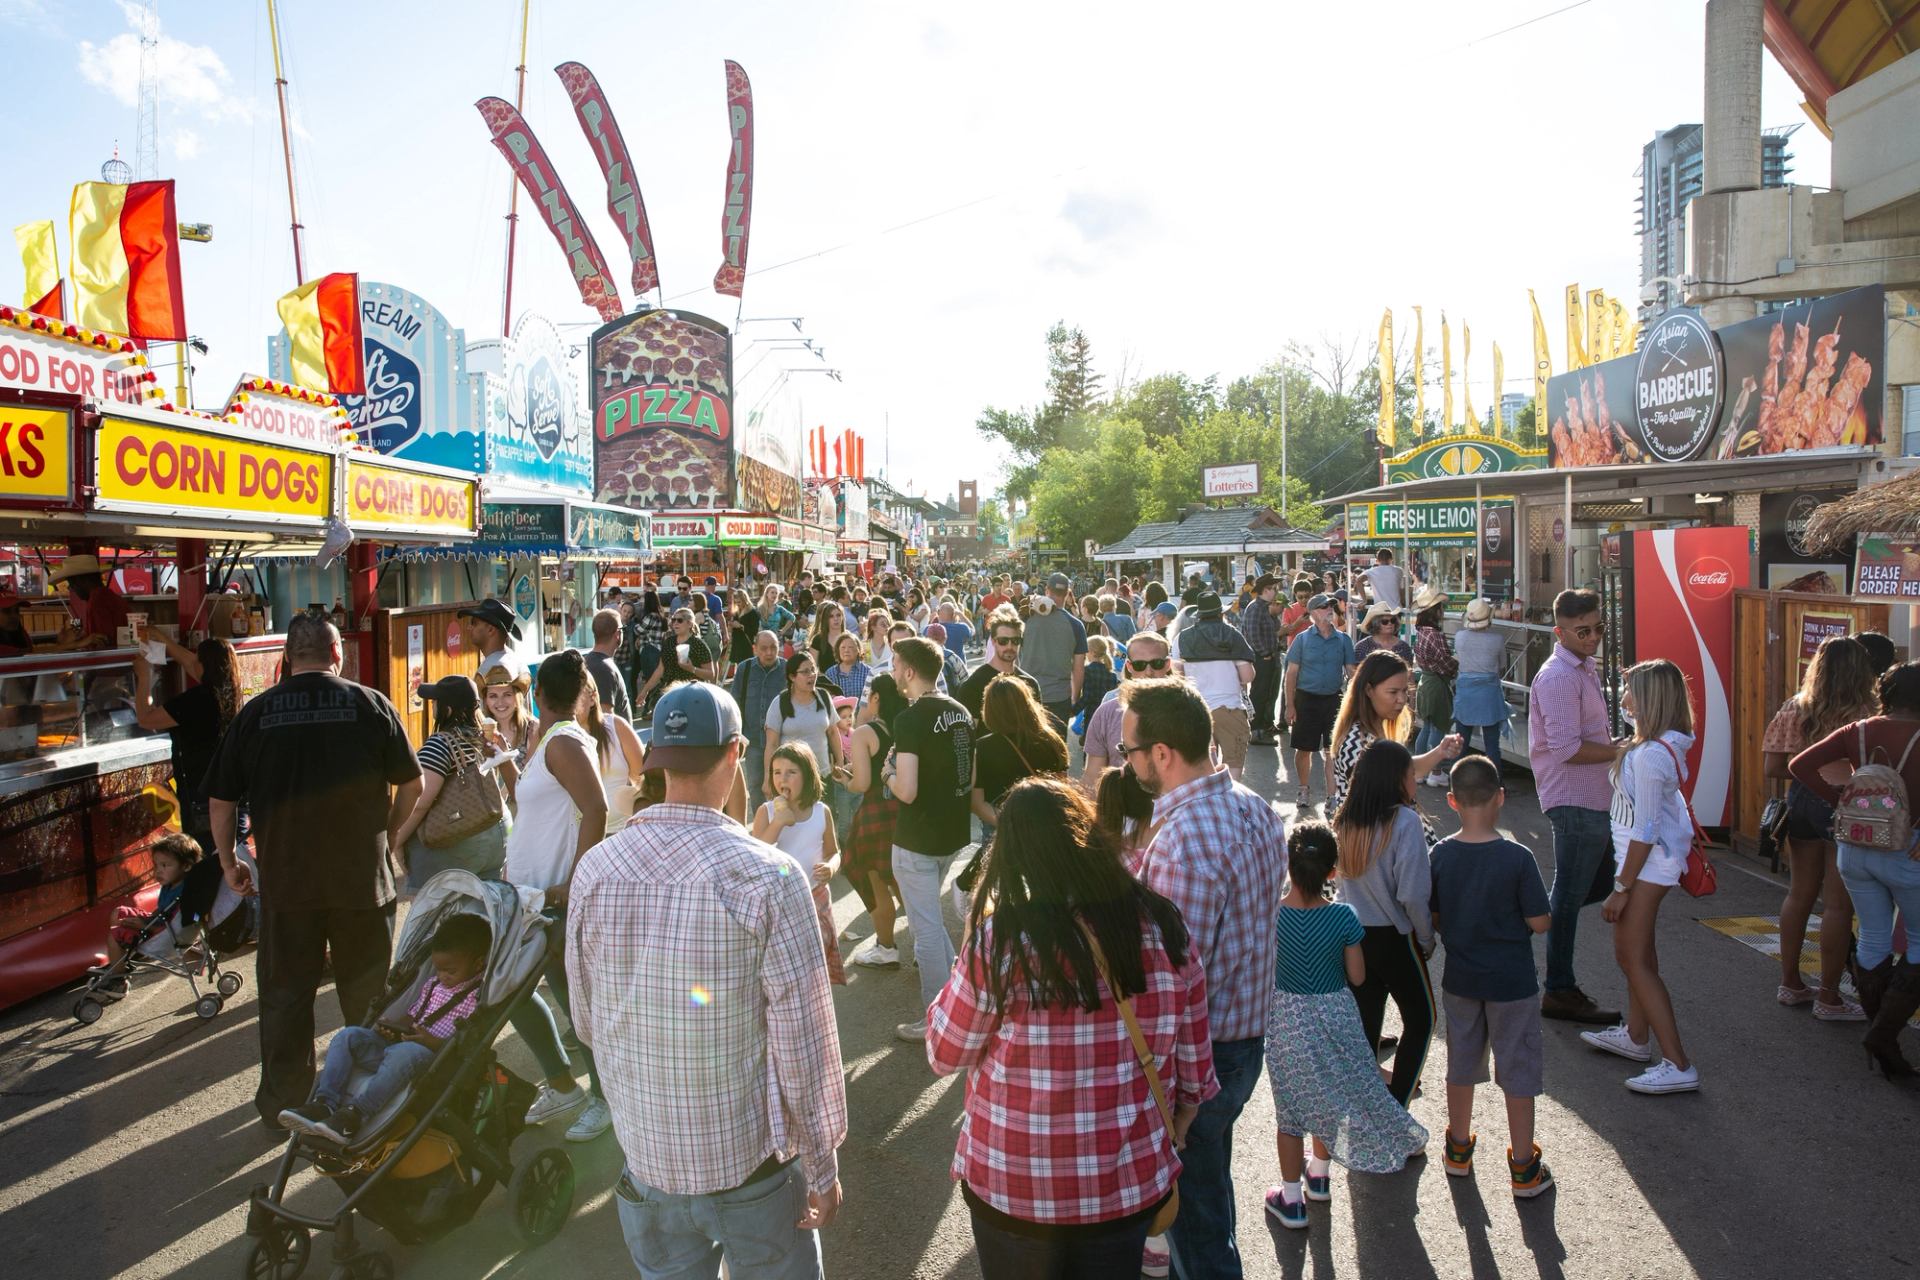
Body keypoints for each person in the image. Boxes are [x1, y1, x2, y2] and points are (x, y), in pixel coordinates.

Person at [567, 681, 847, 1275]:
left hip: (645, 1160)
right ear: (736, 751)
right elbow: (805, 1043)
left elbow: (586, 1020)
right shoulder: (768, 877)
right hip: (751, 1166)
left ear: (655, 760)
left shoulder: (597, 868)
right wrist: (822, 1167)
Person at [928, 779, 1215, 1277]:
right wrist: (1178, 1124)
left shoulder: (1002, 943)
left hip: (1013, 1183)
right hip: (1126, 1183)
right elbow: (1193, 1069)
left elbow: (944, 1052)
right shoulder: (1162, 924)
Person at [205, 615, 421, 1130]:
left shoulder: (256, 714)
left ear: (286, 657)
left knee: (285, 996)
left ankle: (283, 1106)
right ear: (336, 653)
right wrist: (389, 837)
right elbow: (410, 786)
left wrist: (231, 862)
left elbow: (220, 799)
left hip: (287, 885)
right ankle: (367, 1101)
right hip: (361, 884)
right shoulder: (371, 705)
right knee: (367, 997)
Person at [1124, 678, 1287, 1280]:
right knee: (1208, 1193)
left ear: (1161, 753)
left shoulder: (1184, 840)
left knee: (1196, 1218)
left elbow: (1171, 988)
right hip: (1242, 1041)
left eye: (1131, 752)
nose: (1128, 761)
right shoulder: (1255, 807)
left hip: (1200, 1056)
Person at [1261, 821, 1427, 1231]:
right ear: (1333, 871)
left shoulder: (1270, 916)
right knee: (1330, 1095)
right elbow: (1356, 977)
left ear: (1287, 863)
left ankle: (1292, 1198)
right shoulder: (1344, 916)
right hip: (1335, 1013)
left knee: (1291, 1111)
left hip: (1287, 1018)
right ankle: (1319, 1175)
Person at [1429, 756, 1555, 1196]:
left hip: (1461, 979)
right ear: (1501, 797)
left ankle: (1458, 1149)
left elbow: (1436, 915)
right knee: (1517, 1068)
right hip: (1512, 983)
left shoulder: (1440, 854)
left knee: (1461, 1063)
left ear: (1451, 801)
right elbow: (1540, 921)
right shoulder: (1517, 858)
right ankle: (1524, 1167)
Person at [1790, 660, 1920, 1078]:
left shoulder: (1858, 731)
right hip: (1908, 850)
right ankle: (1883, 1035)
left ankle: (1879, 1034)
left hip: (1854, 848)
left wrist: (1840, 801)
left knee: (1874, 935)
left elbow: (1799, 766)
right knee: (1918, 941)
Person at [504, 650, 614, 1141]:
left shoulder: (564, 740)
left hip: (554, 899)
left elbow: (597, 808)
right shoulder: (552, 739)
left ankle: (604, 1100)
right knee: (515, 992)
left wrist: (574, 881)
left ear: (540, 693)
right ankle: (564, 1084)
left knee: (575, 1004)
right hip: (531, 897)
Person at [1581, 659, 1699, 1095]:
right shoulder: (1653, 747)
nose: (1623, 699)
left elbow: (1646, 829)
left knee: (1632, 958)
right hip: (1645, 863)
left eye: (1629, 692)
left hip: (1646, 866)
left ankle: (1678, 1062)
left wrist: (1620, 889)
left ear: (1649, 699)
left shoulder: (1650, 755)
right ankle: (1635, 1036)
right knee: (1640, 956)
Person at [279, 913, 490, 1145]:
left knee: (407, 1052)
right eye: (438, 970)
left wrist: (429, 1041)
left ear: (478, 964)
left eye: (450, 971)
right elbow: (412, 1016)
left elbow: (465, 1044)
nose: (443, 976)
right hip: (399, 1048)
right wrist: (392, 1029)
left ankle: (355, 1114)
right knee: (348, 1036)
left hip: (432, 1058)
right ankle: (324, 1103)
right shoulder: (433, 985)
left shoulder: (476, 997)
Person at [1761, 635, 1872, 1019]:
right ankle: (1829, 997)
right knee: (1838, 905)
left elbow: (1773, 768)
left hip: (1802, 801)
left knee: (1799, 895)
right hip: (1848, 805)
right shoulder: (1868, 711)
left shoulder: (1796, 707)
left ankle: (1790, 983)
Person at [1528, 589, 1623, 1026]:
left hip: (1588, 798)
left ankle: (1527, 923)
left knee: (1591, 888)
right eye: (1583, 631)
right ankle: (1560, 989)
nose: (1593, 638)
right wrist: (1620, 751)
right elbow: (1566, 749)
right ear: (1559, 632)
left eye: (1599, 628)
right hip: (1573, 797)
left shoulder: (1580, 668)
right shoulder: (1560, 677)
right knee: (1570, 896)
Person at [1331, 739, 1436, 1107]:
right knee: (1422, 1021)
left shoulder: (1345, 819)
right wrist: (1426, 938)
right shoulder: (1405, 822)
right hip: (1395, 938)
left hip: (1352, 938)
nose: (1416, 782)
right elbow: (1412, 893)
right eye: (1412, 775)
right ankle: (1398, 1104)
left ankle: (1365, 1107)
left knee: (1365, 1026)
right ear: (1397, 779)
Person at [886, 637, 976, 1040]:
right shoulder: (961, 712)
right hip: (952, 832)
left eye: (893, 665)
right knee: (930, 921)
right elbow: (969, 778)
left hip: (917, 837)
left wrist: (887, 773)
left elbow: (905, 790)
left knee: (924, 931)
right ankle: (957, 1002)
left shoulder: (910, 719)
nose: (891, 673)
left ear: (909, 671)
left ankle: (938, 1023)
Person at [387, 676, 511, 888]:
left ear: (448, 710)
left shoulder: (440, 744)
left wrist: (395, 842)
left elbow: (420, 804)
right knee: (483, 909)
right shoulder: (485, 738)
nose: (433, 705)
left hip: (462, 841)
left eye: (436, 702)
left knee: (439, 912)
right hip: (497, 834)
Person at [131, 636, 244, 851]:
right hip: (230, 798)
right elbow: (192, 664)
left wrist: (144, 677)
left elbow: (146, 718)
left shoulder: (195, 701)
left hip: (201, 801)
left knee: (207, 863)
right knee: (230, 858)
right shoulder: (230, 690)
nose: (191, 663)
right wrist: (163, 639)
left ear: (203, 666)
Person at [753, 742, 847, 986]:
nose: (782, 778)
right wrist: (779, 822)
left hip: (815, 895)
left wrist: (831, 867)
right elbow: (755, 855)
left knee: (815, 958)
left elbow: (834, 852)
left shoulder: (821, 811)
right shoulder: (766, 812)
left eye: (790, 772)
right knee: (785, 962)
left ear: (807, 775)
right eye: (776, 772)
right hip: (780, 898)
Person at [1328, 652, 1462, 816]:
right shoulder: (1355, 743)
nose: (1402, 699)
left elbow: (1403, 768)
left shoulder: (1375, 730)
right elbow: (1377, 806)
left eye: (1404, 691)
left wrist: (1440, 751)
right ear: (1369, 690)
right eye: (1393, 692)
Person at [844, 674, 908, 969]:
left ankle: (886, 948)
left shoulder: (864, 733)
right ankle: (926, 945)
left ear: (877, 698)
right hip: (906, 811)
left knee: (875, 880)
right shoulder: (908, 727)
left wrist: (845, 780)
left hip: (875, 815)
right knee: (906, 883)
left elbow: (862, 783)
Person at [1284, 594, 1357, 809]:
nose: (1329, 610)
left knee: (1331, 750)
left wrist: (1359, 699)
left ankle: (1331, 797)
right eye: (1324, 607)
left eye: (1331, 606)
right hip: (1306, 699)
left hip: (1333, 700)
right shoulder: (1302, 639)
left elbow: (1351, 671)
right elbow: (1291, 674)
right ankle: (1304, 789)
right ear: (1313, 612)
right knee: (1304, 749)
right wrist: (1290, 705)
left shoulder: (1343, 640)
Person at [1176, 591, 1258, 782]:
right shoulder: (1232, 635)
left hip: (1196, 711)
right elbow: (1247, 676)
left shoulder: (1181, 638)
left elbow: (1177, 676)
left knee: (1201, 769)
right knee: (1233, 769)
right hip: (1229, 709)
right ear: (1221, 613)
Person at [1082, 631, 1173, 795]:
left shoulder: (1188, 709)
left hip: (1174, 812)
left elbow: (1204, 773)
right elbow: (1092, 778)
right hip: (1122, 810)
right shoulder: (1107, 712)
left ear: (1167, 665)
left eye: (1156, 663)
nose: (1148, 671)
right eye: (1140, 665)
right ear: (1130, 667)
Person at [764, 653, 847, 811]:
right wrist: (768, 778)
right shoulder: (780, 703)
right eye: (805, 672)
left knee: (823, 822)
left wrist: (839, 762)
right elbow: (772, 744)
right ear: (792, 677)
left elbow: (833, 733)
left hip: (822, 775)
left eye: (813, 670)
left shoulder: (824, 697)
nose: (812, 676)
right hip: (790, 779)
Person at [1021, 572, 1088, 730]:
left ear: (1047, 591)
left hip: (1027, 693)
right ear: (1068, 594)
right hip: (1059, 697)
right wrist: (1074, 699)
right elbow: (1078, 667)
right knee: (1057, 750)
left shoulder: (1027, 618)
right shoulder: (1076, 625)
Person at [730, 630, 788, 813]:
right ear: (755, 649)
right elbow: (735, 704)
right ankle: (761, 824)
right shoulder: (744, 669)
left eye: (773, 648)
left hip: (782, 740)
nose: (769, 653)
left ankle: (783, 826)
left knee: (783, 784)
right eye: (764, 648)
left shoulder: (788, 670)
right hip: (753, 741)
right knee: (756, 785)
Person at [584, 674, 647, 835]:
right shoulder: (560, 737)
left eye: (572, 696)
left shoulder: (615, 726)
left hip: (620, 832)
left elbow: (643, 779)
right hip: (577, 835)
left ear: (592, 698)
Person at [1410, 586, 1458, 788]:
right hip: (1437, 683)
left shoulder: (1421, 632)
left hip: (1425, 682)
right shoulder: (1435, 635)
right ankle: (1435, 772)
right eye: (1440, 607)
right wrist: (1456, 663)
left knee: (1427, 727)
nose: (1443, 611)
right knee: (1438, 727)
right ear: (1435, 611)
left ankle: (1419, 771)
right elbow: (1445, 662)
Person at [1453, 598, 1507, 766]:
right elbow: (1503, 665)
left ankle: (1456, 782)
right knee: (1492, 745)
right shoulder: (1497, 639)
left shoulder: (1460, 636)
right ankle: (1496, 783)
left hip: (1466, 695)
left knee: (1461, 742)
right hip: (1488, 695)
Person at [958, 611, 1040, 722]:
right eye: (1003, 641)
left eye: (1015, 641)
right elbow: (969, 734)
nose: (1009, 646)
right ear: (993, 641)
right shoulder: (974, 685)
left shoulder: (1030, 683)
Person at [639, 608, 717, 714]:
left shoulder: (699, 645)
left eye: (679, 620)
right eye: (673, 620)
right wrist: (645, 690)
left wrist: (692, 669)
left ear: (689, 624)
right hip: (670, 693)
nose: (675, 623)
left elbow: (711, 674)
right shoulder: (668, 642)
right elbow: (660, 670)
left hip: (692, 695)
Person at [48, 553, 130, 648]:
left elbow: (102, 642)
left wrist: (72, 643)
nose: (71, 588)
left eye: (71, 583)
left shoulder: (97, 600)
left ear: (81, 581)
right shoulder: (107, 595)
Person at [1239, 576, 1281, 748]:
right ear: (1266, 590)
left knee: (1264, 693)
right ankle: (1256, 731)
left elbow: (1273, 628)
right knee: (1259, 694)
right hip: (1261, 658)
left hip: (1266, 657)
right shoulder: (1256, 608)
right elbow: (1253, 635)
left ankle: (1261, 728)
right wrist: (1264, 653)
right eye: (1274, 588)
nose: (1276, 592)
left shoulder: (1262, 607)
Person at [458, 598, 526, 686]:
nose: (469, 628)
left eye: (474, 623)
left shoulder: (492, 669)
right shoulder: (515, 660)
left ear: (490, 630)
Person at [586, 609, 634, 723]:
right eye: (622, 629)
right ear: (617, 634)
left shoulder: (594, 662)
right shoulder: (603, 669)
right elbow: (606, 720)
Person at [1073, 634, 1120, 736]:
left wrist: (1073, 711)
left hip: (1092, 716)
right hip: (1108, 718)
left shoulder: (1087, 671)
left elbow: (1087, 696)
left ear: (1092, 652)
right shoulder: (1112, 674)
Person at [827, 631, 872, 706]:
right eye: (843, 647)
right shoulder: (830, 673)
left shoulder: (868, 672)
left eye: (850, 647)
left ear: (858, 650)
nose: (846, 650)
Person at [808, 599, 852, 673]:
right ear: (826, 619)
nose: (836, 619)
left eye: (838, 615)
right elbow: (812, 667)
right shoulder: (818, 639)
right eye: (831, 616)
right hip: (825, 682)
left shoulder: (850, 637)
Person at [728, 587, 760, 669]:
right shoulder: (737, 612)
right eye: (736, 602)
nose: (738, 604)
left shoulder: (752, 612)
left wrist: (741, 626)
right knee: (739, 668)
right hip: (737, 644)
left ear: (745, 600)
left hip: (746, 645)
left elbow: (754, 631)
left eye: (739, 602)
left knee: (747, 668)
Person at [862, 606, 897, 673]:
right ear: (873, 627)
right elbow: (867, 665)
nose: (887, 627)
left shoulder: (891, 645)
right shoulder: (866, 646)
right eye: (883, 624)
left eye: (888, 624)